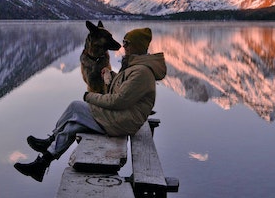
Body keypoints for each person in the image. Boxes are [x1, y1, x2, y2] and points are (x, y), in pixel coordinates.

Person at [14, 27, 167, 182]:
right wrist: (112, 76)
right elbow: (125, 91)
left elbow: (119, 101)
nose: (124, 46)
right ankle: (41, 164)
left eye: (127, 43)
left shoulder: (141, 72)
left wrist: (90, 97)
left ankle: (49, 141)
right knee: (74, 126)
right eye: (124, 42)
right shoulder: (135, 67)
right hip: (122, 119)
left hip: (123, 122)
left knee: (76, 107)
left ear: (138, 46)